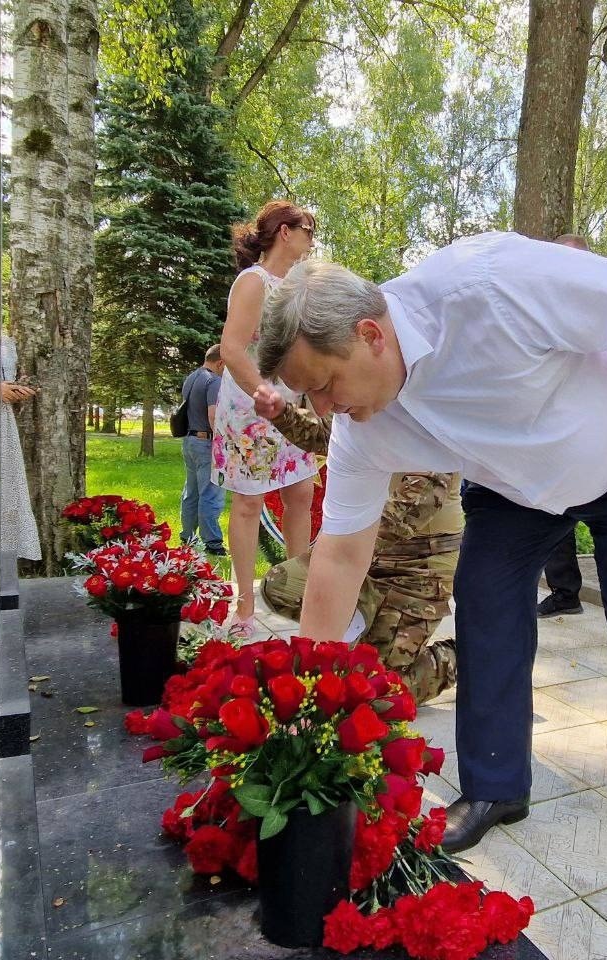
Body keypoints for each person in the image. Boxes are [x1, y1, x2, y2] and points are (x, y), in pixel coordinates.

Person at [256, 232, 607, 855]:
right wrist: (309, 690)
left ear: (371, 335)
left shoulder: (487, 282)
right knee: (486, 605)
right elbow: (340, 555)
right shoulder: (361, 426)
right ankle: (496, 786)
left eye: (325, 386)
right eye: (311, 398)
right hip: (518, 487)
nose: (325, 409)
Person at [252, 389, 458, 704]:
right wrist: (282, 413)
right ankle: (369, 631)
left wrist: (341, 555)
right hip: (368, 558)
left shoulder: (426, 410)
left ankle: (465, 657)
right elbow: (322, 434)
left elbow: (417, 504)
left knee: (375, 694)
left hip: (418, 571)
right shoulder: (365, 402)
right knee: (281, 584)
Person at [215, 201, 320, 640]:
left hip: (292, 411)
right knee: (249, 503)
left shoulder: (300, 286)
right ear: (284, 232)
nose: (313, 240)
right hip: (249, 409)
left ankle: (298, 593)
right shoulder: (253, 282)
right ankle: (243, 603)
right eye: (308, 230)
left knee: (300, 495)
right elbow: (232, 349)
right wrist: (263, 389)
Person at [537, 233, 593, 618]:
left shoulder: (604, 309)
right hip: (552, 430)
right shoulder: (538, 308)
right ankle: (565, 593)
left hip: (600, 430)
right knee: (555, 515)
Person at [0, 334, 42, 564]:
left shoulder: (16, 339)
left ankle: (5, 550)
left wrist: (19, 389)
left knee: (8, 484)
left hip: (10, 426)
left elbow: (38, 377)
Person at [180, 344, 227, 556]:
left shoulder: (192, 378)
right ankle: (213, 542)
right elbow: (213, 415)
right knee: (211, 493)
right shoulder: (214, 381)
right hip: (207, 442)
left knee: (192, 492)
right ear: (221, 362)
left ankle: (188, 536)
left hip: (190, 440)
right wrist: (224, 441)